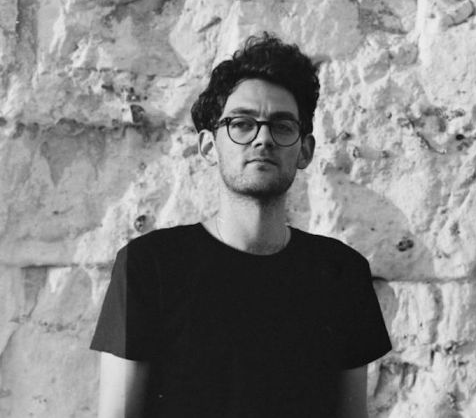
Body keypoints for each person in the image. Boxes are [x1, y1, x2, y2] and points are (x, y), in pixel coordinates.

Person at [91, 33, 391, 418]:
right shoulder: (150, 266)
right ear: (208, 146)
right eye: (242, 124)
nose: (263, 138)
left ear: (305, 151)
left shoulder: (341, 273)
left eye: (282, 126)